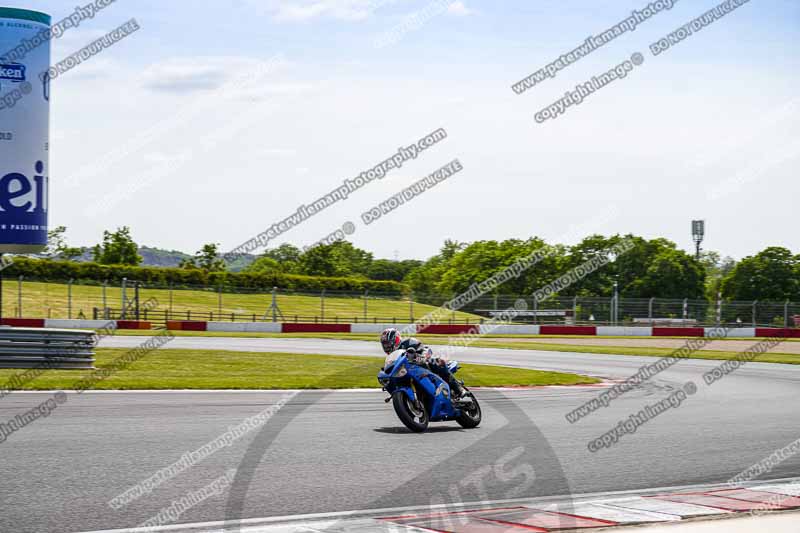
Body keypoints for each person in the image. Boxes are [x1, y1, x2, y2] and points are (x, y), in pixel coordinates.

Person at [380, 328, 468, 401]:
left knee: (438, 362)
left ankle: (458, 389)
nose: (387, 347)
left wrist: (422, 356)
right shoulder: (392, 357)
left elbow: (426, 349)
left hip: (424, 366)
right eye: (385, 345)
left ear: (396, 340)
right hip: (409, 374)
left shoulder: (408, 343)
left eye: (388, 344)